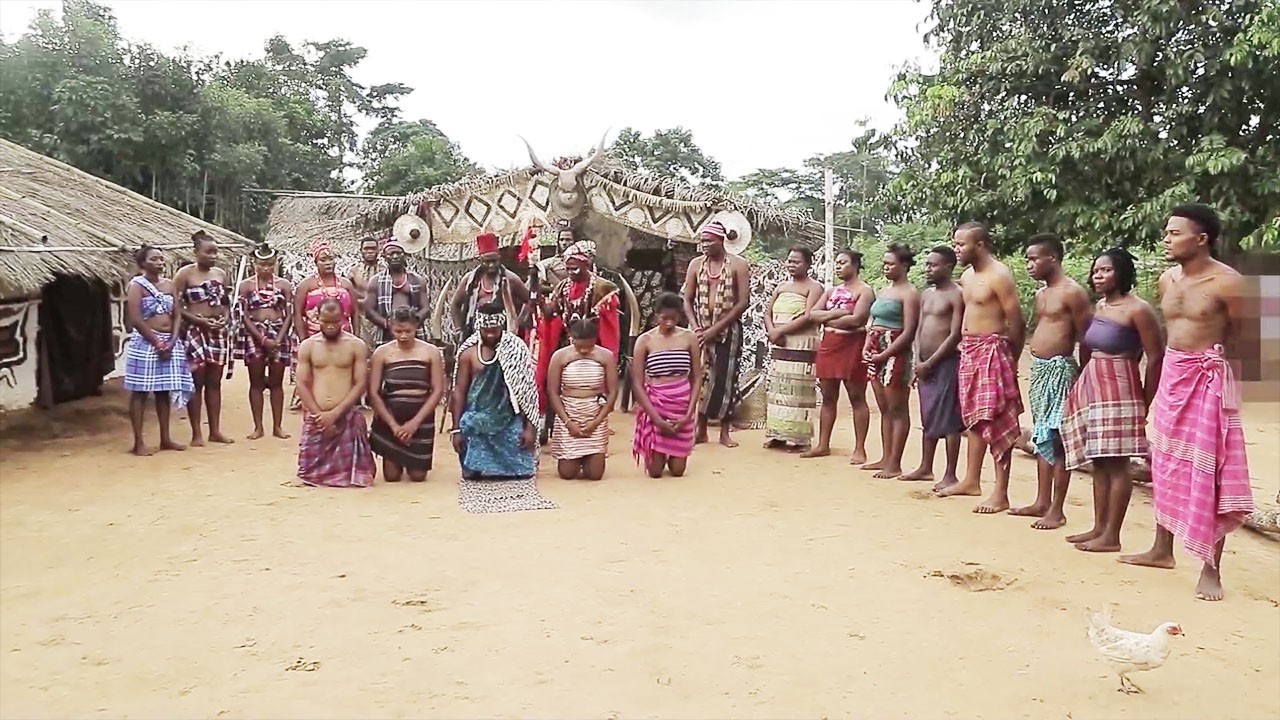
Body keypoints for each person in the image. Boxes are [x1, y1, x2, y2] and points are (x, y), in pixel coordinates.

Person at [1119, 204, 1254, 601]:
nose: (1167, 239)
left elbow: (1246, 339)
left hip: (1208, 380)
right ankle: (1162, 549)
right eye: (1166, 232)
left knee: (1208, 468)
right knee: (1163, 460)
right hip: (1174, 377)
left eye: (1175, 233)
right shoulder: (1166, 279)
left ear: (1201, 239)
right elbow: (1169, 336)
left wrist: (1222, 378)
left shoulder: (1228, 283)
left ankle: (1210, 568)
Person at [1062, 248, 1163, 552]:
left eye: (1105, 270)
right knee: (1099, 460)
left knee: (1117, 463)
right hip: (1095, 384)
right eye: (1095, 271)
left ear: (1121, 273)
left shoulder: (1138, 310)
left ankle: (1112, 535)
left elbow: (1155, 356)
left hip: (1121, 387)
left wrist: (1146, 399)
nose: (1098, 275)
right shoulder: (1100, 307)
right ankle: (1098, 527)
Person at [938, 222, 1026, 514]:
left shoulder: (999, 275)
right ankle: (971, 479)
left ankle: (1000, 493)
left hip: (993, 351)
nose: (956, 249)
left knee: (998, 419)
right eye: (955, 243)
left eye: (961, 244)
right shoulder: (966, 275)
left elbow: (1016, 321)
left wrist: (1009, 358)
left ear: (980, 245)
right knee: (974, 417)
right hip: (971, 352)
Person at [1011, 234, 1092, 529]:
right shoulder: (1041, 294)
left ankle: (1057, 509)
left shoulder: (1073, 292)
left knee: (1057, 438)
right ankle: (1041, 501)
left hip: (1061, 370)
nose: (1029, 264)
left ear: (1052, 258)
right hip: (1040, 369)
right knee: (1042, 434)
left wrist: (1084, 374)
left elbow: (1086, 337)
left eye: (1034, 259)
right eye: (1027, 259)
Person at [450, 302, 542, 480]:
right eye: (486, 330)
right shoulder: (469, 354)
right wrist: (456, 430)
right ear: (479, 327)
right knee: (471, 470)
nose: (491, 333)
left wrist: (529, 428)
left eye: (495, 329)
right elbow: (459, 391)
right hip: (477, 418)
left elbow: (527, 393)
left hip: (507, 418)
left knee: (523, 473)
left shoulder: (516, 350)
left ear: (502, 325)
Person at [533, 239, 621, 423]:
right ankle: (553, 423)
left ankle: (593, 424)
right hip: (566, 346)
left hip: (592, 348)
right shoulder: (563, 286)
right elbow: (550, 312)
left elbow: (608, 328)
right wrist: (538, 296)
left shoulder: (603, 288)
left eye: (574, 268)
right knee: (556, 384)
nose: (570, 273)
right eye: (568, 269)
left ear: (586, 264)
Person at [901, 246, 965, 490]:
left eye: (933, 265)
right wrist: (918, 360)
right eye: (927, 264)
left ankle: (950, 473)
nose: (928, 269)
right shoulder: (926, 294)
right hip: (924, 363)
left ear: (948, 267)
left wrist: (931, 362)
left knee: (948, 418)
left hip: (945, 362)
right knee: (928, 414)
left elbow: (955, 334)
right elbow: (918, 329)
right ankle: (925, 467)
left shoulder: (957, 294)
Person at [803, 248, 875, 462]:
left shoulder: (865, 291)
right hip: (829, 345)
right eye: (836, 263)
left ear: (854, 265)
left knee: (856, 397)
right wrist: (836, 314)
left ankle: (860, 449)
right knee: (828, 397)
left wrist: (826, 318)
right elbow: (811, 314)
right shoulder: (830, 291)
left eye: (843, 262)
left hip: (852, 345)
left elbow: (857, 320)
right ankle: (823, 444)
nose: (838, 266)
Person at [683, 220, 750, 447]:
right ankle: (700, 430)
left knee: (726, 378)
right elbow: (687, 299)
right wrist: (696, 327)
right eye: (702, 241)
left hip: (728, 331)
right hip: (701, 331)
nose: (704, 245)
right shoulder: (695, 265)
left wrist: (716, 329)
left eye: (708, 241)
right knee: (701, 379)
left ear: (720, 241)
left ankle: (724, 431)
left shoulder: (738, 265)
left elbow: (743, 303)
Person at [294, 298, 375, 488]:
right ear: (316, 318)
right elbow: (302, 383)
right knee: (305, 475)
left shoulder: (356, 345)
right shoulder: (308, 345)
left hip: (346, 415)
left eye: (335, 321)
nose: (330, 326)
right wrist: (319, 415)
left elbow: (360, 382)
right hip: (317, 416)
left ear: (343, 318)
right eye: (325, 321)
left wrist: (335, 414)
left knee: (361, 480)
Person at [123, 245, 193, 456]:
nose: (160, 262)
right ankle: (138, 443)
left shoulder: (170, 285)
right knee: (140, 392)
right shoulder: (136, 286)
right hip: (145, 343)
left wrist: (171, 340)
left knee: (164, 391)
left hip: (169, 342)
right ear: (143, 263)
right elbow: (135, 319)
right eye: (154, 259)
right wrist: (156, 342)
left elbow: (177, 314)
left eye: (161, 258)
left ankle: (165, 438)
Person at [863, 244, 921, 478]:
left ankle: (895, 462)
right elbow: (872, 320)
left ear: (904, 266)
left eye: (891, 264)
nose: (886, 267)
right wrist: (867, 346)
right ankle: (885, 458)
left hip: (895, 351)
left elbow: (908, 331)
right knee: (884, 408)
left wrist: (885, 354)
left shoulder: (910, 293)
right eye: (884, 263)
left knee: (897, 408)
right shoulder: (884, 290)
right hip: (876, 348)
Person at [368, 307, 446, 482]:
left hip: (420, 417)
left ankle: (414, 459)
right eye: (398, 331)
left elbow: (438, 390)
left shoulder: (430, 351)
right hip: (391, 417)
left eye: (408, 331)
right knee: (391, 477)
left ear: (416, 327)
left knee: (418, 476)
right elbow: (373, 392)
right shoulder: (382, 352)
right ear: (390, 327)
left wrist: (415, 423)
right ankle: (393, 451)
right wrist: (393, 426)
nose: (403, 336)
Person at [632, 292, 702, 478]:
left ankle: (676, 449)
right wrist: (655, 418)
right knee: (655, 472)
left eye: (673, 317)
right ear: (656, 316)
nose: (669, 322)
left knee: (678, 471)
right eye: (664, 318)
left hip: (682, 406)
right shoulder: (645, 340)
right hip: (656, 406)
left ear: (679, 316)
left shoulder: (689, 338)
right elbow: (637, 383)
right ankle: (657, 450)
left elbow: (697, 378)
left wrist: (688, 414)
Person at [762, 246, 825, 452]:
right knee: (779, 390)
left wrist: (782, 332)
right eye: (789, 261)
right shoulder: (781, 286)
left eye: (796, 261)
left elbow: (809, 316)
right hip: (780, 344)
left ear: (808, 264)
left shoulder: (815, 287)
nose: (792, 265)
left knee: (799, 391)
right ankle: (777, 435)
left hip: (801, 344)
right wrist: (773, 332)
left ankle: (800, 439)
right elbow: (767, 312)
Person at [174, 231, 233, 446]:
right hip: (195, 333)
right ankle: (196, 433)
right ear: (196, 252)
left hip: (217, 333)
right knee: (196, 382)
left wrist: (225, 319)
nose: (213, 256)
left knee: (214, 383)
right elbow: (176, 305)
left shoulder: (220, 274)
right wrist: (197, 321)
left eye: (215, 252)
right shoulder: (184, 274)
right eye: (208, 252)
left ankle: (215, 430)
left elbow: (225, 303)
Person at [231, 243, 295, 440]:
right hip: (254, 334)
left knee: (276, 383)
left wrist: (278, 338)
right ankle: (258, 427)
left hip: (278, 334)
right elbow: (244, 315)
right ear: (254, 264)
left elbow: (289, 314)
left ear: (275, 264)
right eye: (262, 264)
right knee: (256, 382)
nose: (266, 268)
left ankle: (278, 426)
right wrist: (261, 338)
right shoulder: (246, 286)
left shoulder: (284, 285)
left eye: (270, 264)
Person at [547, 318, 619, 480]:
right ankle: (573, 456)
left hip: (595, 414)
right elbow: (552, 392)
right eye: (579, 346)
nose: (585, 350)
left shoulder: (605, 356)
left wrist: (597, 421)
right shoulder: (560, 356)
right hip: (569, 413)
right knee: (567, 474)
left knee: (594, 475)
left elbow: (613, 392)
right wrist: (567, 422)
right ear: (571, 337)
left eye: (589, 345)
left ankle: (591, 455)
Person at [293, 241, 358, 411]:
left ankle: (342, 402)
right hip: (314, 337)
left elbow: (355, 313)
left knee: (341, 370)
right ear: (315, 263)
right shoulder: (306, 285)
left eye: (331, 259)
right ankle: (314, 403)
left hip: (344, 336)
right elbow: (297, 314)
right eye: (323, 259)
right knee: (317, 372)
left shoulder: (346, 284)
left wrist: (356, 337)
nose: (328, 263)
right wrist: (303, 340)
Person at [450, 232, 529, 339]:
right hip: (475, 334)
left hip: (504, 335)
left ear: (499, 258)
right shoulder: (469, 280)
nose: (491, 265)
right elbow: (455, 305)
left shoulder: (510, 279)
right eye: (487, 262)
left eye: (494, 261)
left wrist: (517, 322)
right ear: (480, 260)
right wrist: (458, 329)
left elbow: (530, 301)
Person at [364, 240, 431, 344]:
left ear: (405, 255)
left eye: (398, 253)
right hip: (386, 331)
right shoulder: (375, 281)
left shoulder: (417, 280)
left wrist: (412, 322)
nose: (395, 257)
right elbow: (369, 311)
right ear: (385, 257)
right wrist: (387, 324)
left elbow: (426, 309)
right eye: (391, 254)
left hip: (413, 331)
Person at [348, 236, 383, 351]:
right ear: (361, 251)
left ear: (378, 250)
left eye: (373, 248)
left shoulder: (385, 271)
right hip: (361, 318)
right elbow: (348, 295)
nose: (370, 252)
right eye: (366, 249)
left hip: (380, 317)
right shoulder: (353, 272)